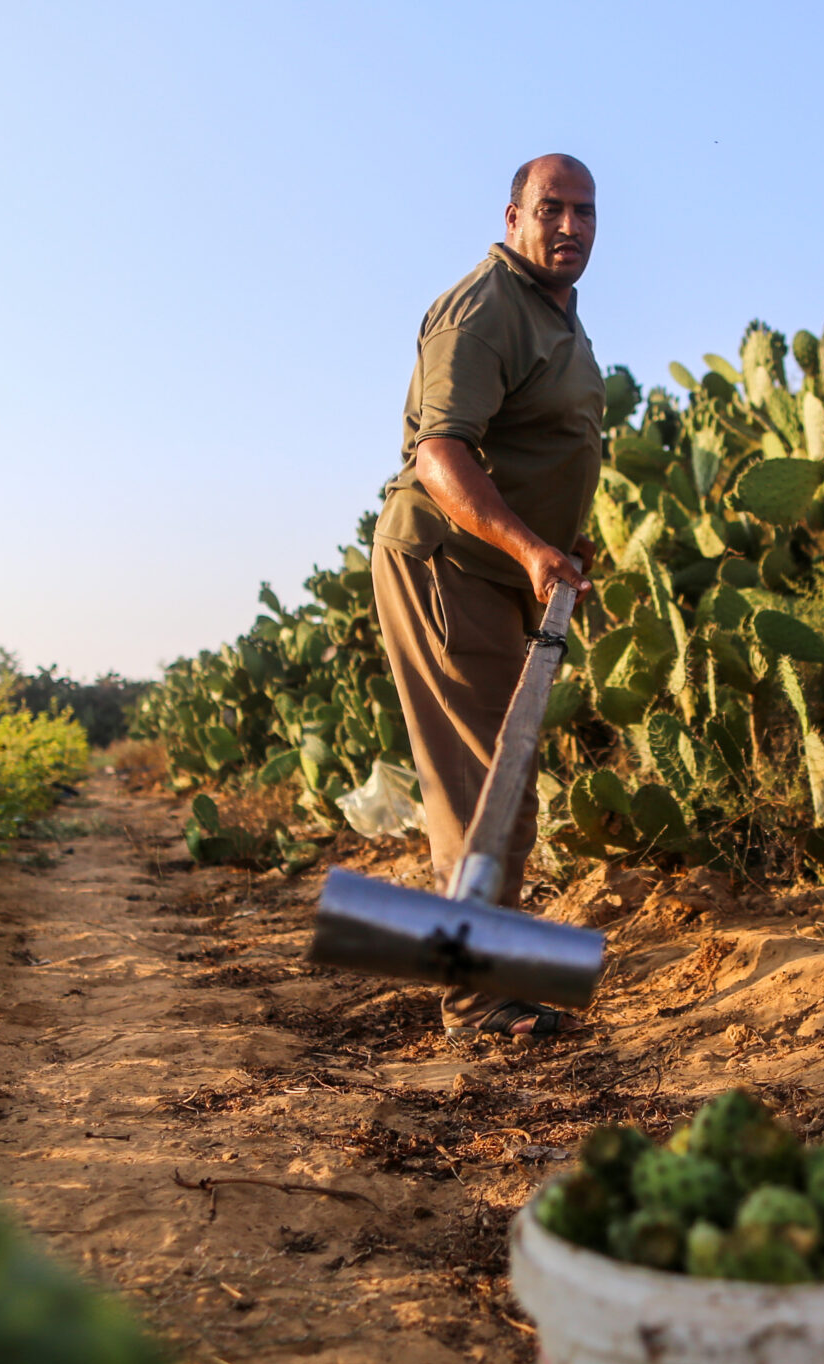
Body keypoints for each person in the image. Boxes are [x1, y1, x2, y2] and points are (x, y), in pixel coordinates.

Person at [369, 153, 601, 1039]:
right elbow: (442, 455)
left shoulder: (558, 318)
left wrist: (560, 540)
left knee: (511, 782)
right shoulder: (484, 307)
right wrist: (528, 543)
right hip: (448, 567)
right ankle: (475, 998)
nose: (570, 226)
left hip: (510, 572)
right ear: (513, 218)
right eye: (553, 209)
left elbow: (542, 446)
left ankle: (491, 976)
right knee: (482, 786)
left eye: (585, 211)